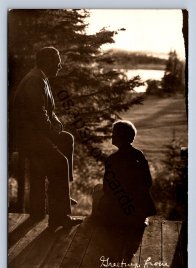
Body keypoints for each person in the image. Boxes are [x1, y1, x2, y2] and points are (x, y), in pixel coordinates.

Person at [13, 46, 81, 230]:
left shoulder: (41, 77)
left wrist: (57, 125)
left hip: (36, 135)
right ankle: (60, 217)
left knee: (67, 139)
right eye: (57, 62)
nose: (60, 66)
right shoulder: (35, 80)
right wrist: (53, 134)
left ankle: (63, 195)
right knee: (60, 162)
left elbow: (49, 112)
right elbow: (38, 114)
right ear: (48, 62)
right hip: (30, 140)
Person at [91, 120, 156, 227]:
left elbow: (108, 189)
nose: (111, 136)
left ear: (119, 136)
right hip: (139, 213)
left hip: (118, 214)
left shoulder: (112, 159)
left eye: (114, 134)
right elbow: (148, 182)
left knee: (97, 189)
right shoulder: (139, 156)